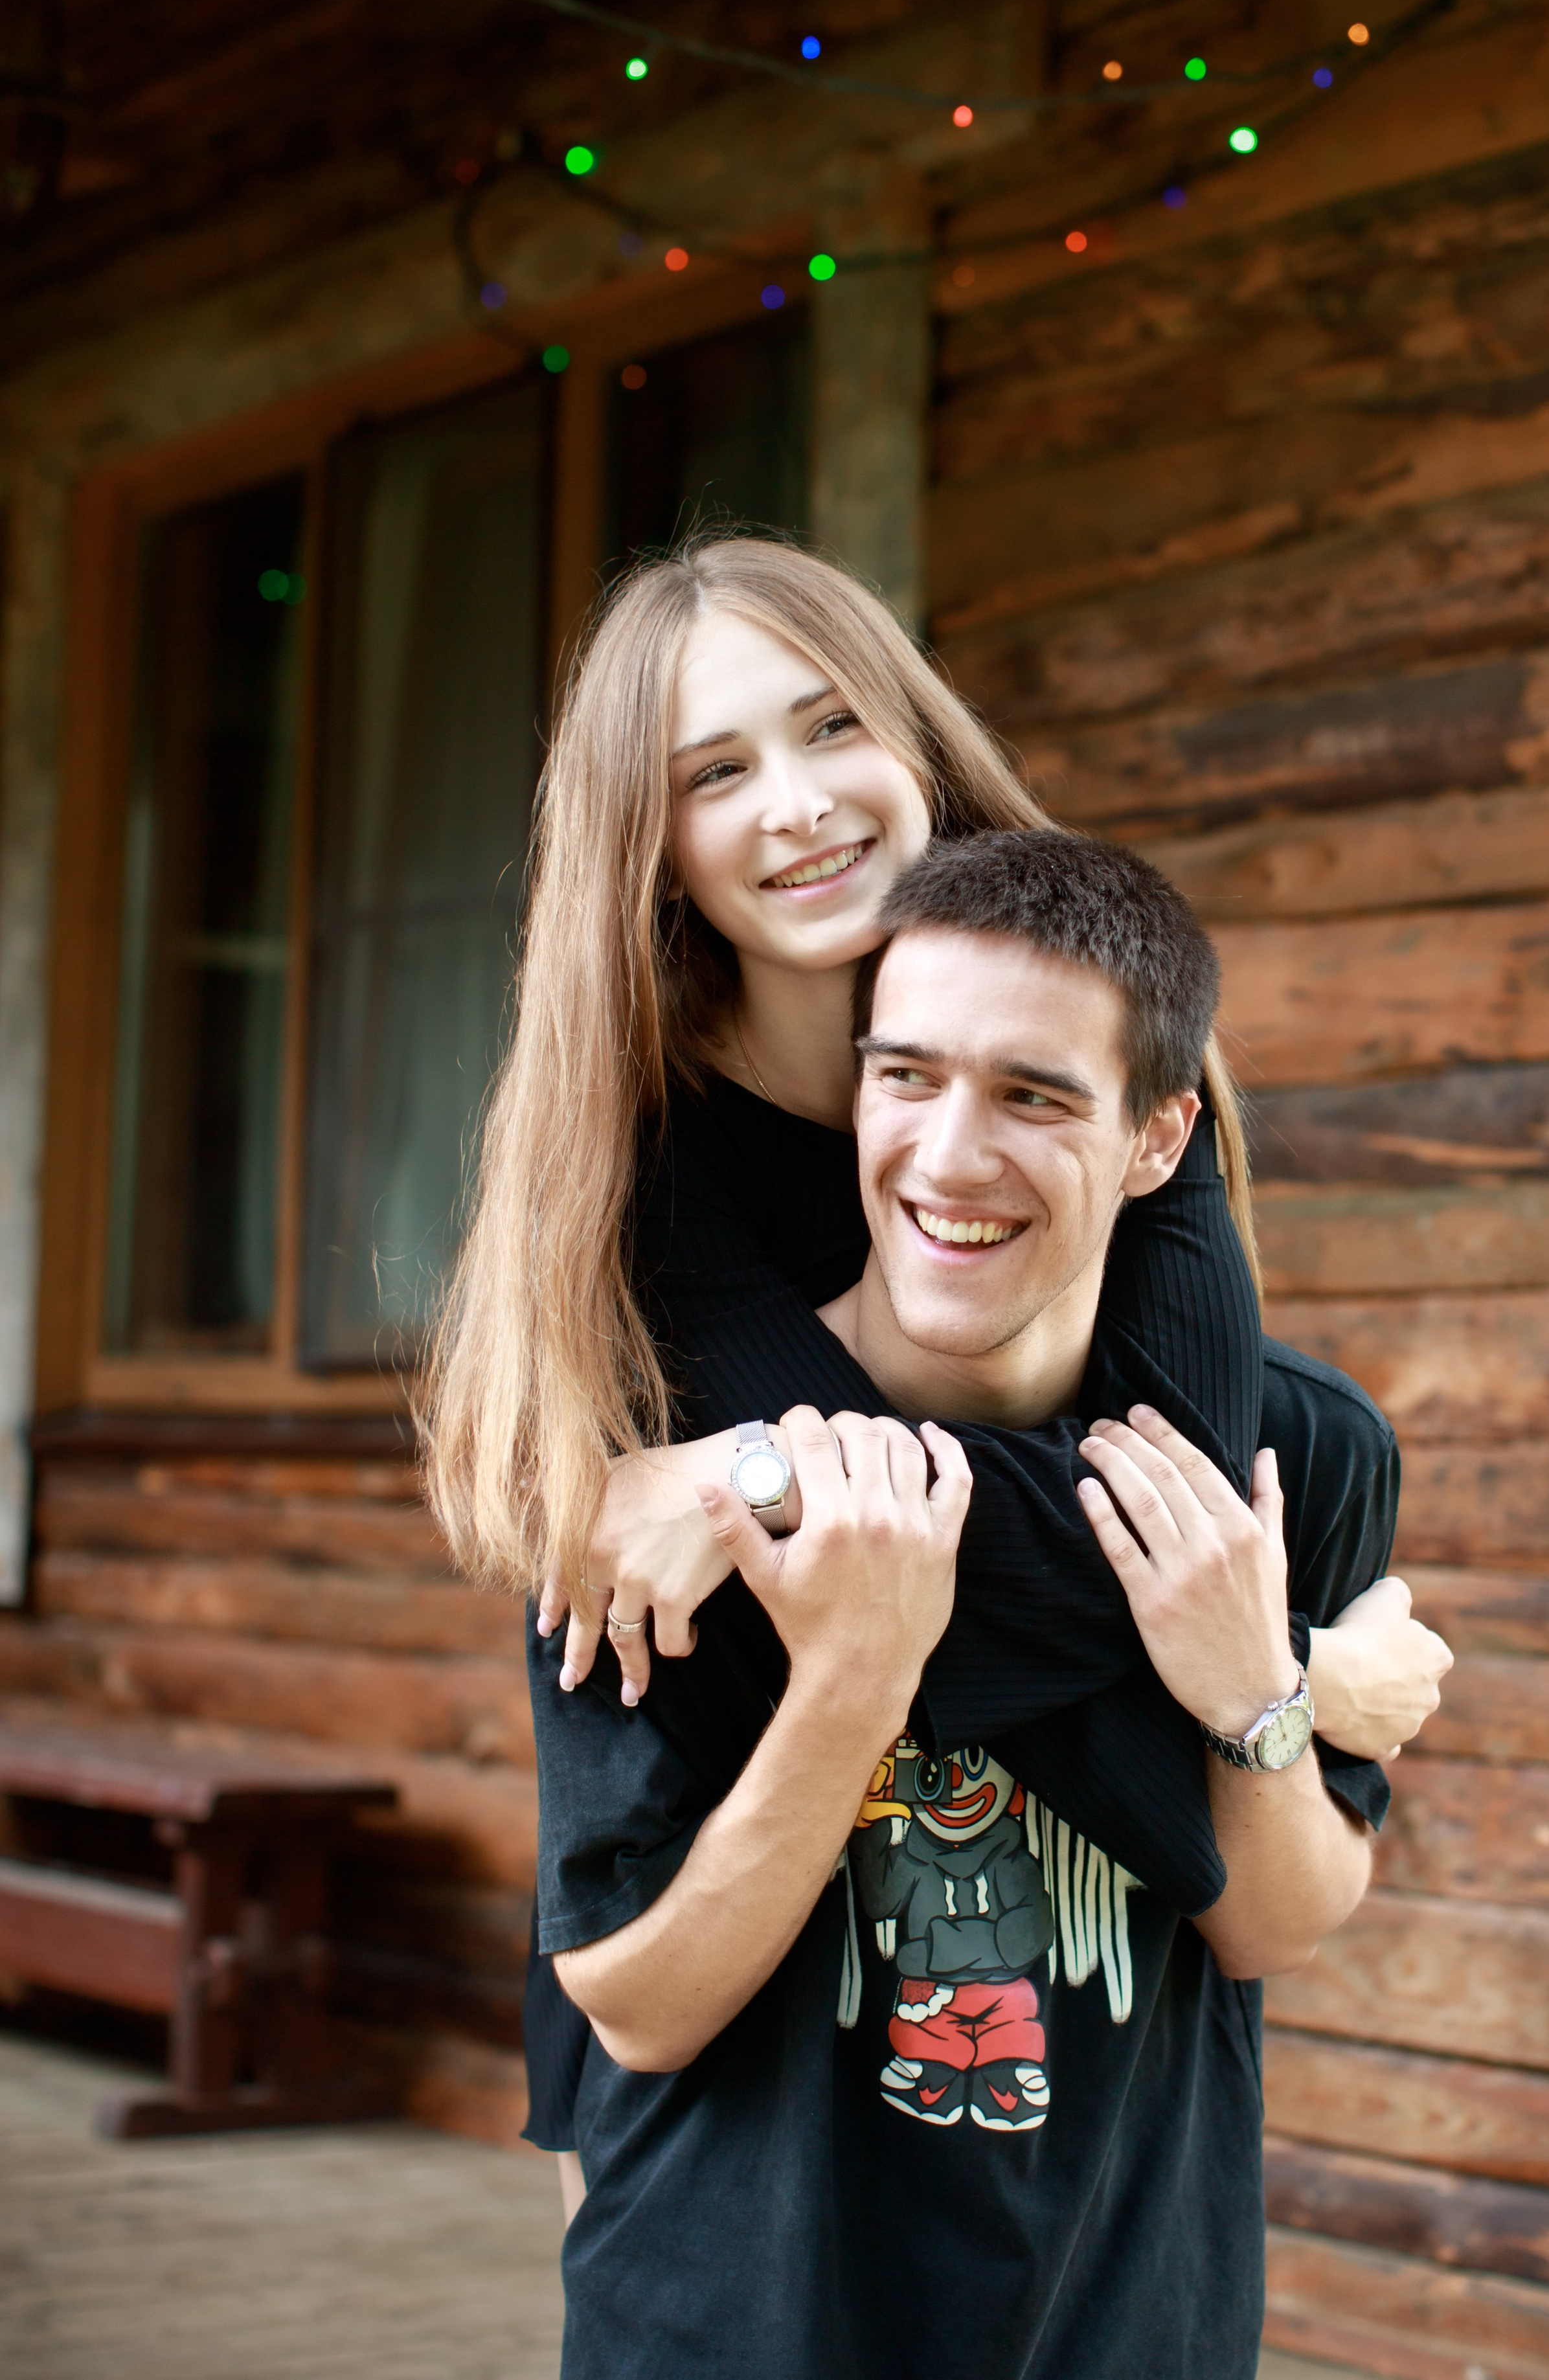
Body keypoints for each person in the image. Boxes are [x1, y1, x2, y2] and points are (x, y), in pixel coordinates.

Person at [419, 536, 1449, 2212]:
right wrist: (1267, 1678)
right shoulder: (647, 1182)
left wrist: (750, 1476)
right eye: (717, 771)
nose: (802, 801)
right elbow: (969, 1576)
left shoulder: (1090, 1043)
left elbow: (1150, 1497)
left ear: (917, 743)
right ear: (657, 845)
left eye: (834, 728)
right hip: (720, 2069)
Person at [533, 830, 1378, 2378]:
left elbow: (1272, 1922)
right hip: (736, 2330)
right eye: (903, 1076)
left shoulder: (1294, 1457)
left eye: (1034, 1096)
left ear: (1154, 1136)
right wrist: (851, 1679)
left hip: (1132, 2324)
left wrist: (1257, 1692)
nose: (946, 1153)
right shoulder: (671, 1488)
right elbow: (636, 2004)